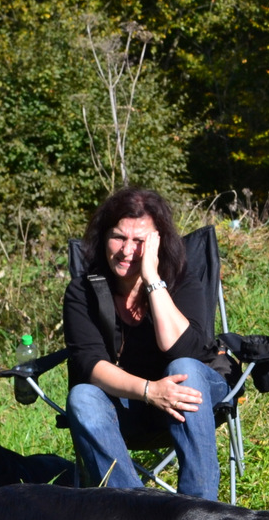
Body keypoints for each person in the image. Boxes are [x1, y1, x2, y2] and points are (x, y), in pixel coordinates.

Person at [63, 186, 227, 500]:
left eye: (140, 241)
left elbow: (183, 350)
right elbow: (90, 366)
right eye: (118, 237)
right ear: (103, 237)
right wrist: (151, 391)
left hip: (193, 393)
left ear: (157, 243)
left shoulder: (181, 278)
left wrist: (152, 277)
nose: (126, 251)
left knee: (185, 369)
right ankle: (138, 515)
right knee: (82, 396)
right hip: (130, 401)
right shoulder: (82, 291)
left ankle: (200, 513)